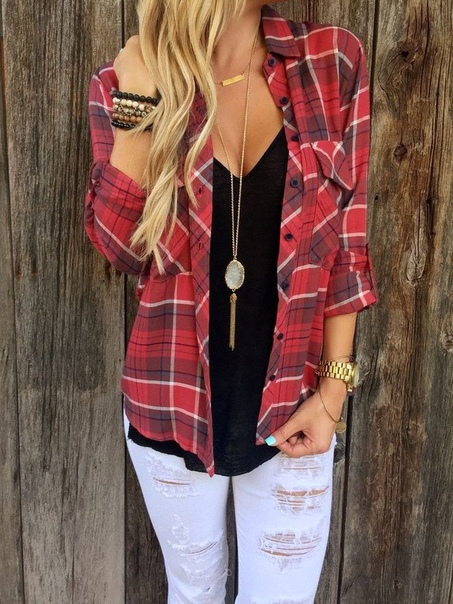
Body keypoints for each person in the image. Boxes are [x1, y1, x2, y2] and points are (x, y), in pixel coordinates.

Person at [85, 0, 378, 601]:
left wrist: (333, 393)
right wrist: (139, 105)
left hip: (295, 407)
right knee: (193, 594)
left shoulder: (331, 60)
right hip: (172, 405)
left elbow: (348, 248)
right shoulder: (124, 78)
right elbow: (121, 249)